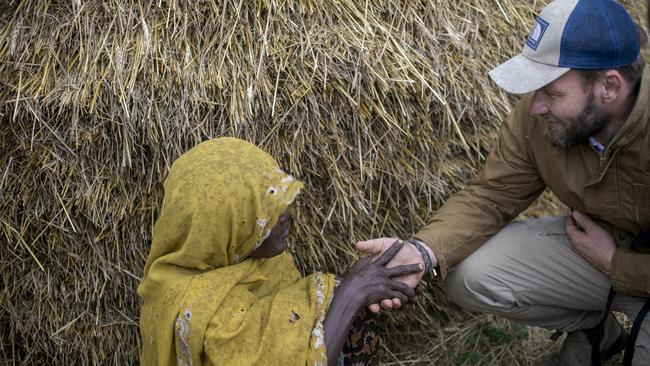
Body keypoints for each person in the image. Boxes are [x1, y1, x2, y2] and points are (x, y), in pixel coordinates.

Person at [357, 0, 650, 365]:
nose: (536, 106)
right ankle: (598, 332)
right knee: (471, 274)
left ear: (609, 86)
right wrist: (422, 252)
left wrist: (615, 263)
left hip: (624, 262)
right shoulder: (537, 121)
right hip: (598, 253)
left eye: (552, 92)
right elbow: (493, 195)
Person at [137, 137, 422, 366]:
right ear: (225, 226)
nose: (286, 213)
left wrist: (361, 284)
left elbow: (292, 325)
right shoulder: (202, 312)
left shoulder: (253, 263)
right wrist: (353, 292)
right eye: (266, 209)